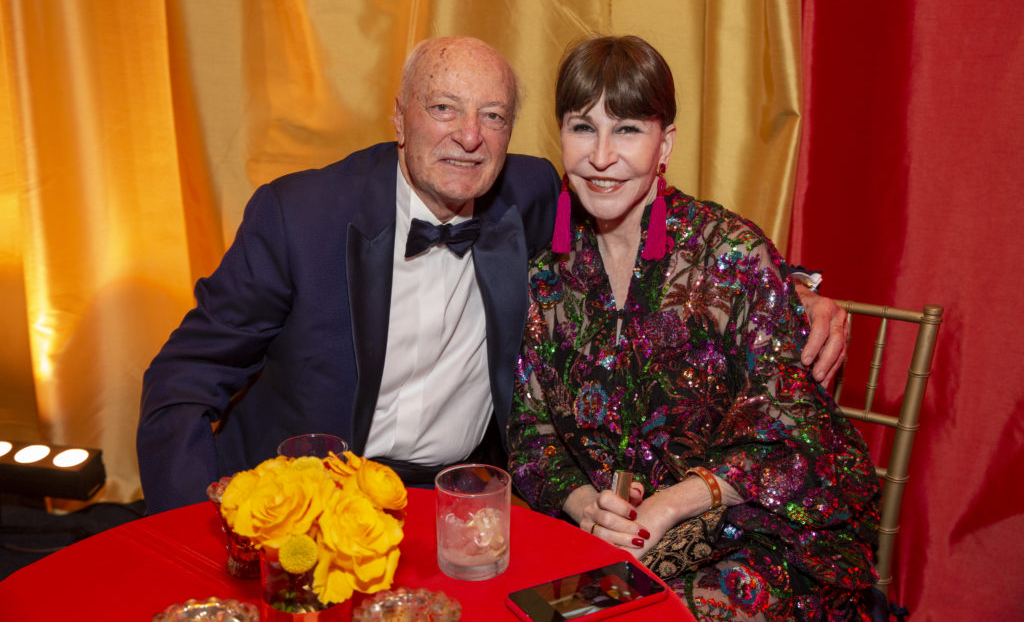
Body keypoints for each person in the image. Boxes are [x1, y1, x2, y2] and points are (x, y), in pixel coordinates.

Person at [138, 36, 848, 515]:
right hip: (306, 499)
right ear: (399, 118)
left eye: (493, 115)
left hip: (459, 501)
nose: (469, 136)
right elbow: (184, 380)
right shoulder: (301, 216)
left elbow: (647, 208)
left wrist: (795, 290)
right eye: (444, 108)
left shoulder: (527, 195)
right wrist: (192, 525)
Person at [508, 35, 879, 620]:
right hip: (606, 546)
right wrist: (585, 506)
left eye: (628, 129)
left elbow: (793, 434)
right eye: (583, 127)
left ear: (665, 143)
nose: (601, 156)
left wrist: (667, 507)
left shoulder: (730, 253)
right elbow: (531, 434)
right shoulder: (547, 272)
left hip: (747, 536)